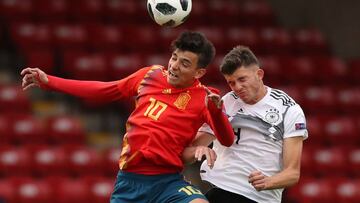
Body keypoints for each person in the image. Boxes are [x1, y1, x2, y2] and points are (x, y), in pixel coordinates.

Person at [20, 31, 234, 203]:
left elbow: (226, 139)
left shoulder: (207, 96)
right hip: (130, 182)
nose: (174, 66)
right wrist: (51, 82)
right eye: (174, 57)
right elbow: (104, 90)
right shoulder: (149, 76)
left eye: (185, 63)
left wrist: (216, 112)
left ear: (199, 73)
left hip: (168, 181)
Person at [184, 45, 308, 203]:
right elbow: (189, 152)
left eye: (242, 79)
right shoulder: (226, 103)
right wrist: (198, 148)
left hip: (257, 197)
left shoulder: (288, 109)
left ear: (259, 74)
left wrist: (268, 181)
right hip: (219, 188)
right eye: (231, 83)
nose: (237, 87)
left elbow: (292, 174)